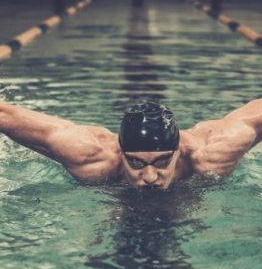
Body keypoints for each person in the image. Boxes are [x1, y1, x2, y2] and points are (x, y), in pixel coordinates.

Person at [0, 99, 261, 189]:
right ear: (120, 152)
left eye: (161, 162)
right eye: (135, 162)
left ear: (179, 150)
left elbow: (254, 118)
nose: (149, 177)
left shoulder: (212, 154)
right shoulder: (92, 157)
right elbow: (6, 116)